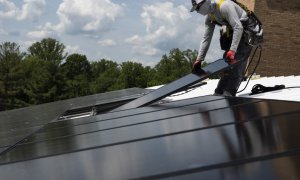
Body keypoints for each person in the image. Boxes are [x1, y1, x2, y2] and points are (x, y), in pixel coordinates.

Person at [190, 0, 263, 96]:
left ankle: (229, 92)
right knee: (226, 62)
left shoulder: (224, 6)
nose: (198, 11)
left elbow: (238, 27)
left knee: (236, 61)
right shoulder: (209, 16)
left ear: (205, 2)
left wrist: (232, 51)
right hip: (236, 30)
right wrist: (199, 59)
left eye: (198, 8)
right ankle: (219, 92)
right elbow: (206, 38)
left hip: (249, 31)